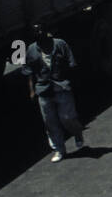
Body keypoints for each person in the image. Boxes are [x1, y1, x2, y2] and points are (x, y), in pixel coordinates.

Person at [23, 23, 84, 162]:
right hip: (43, 89)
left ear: (46, 31)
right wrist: (32, 91)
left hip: (62, 87)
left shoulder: (60, 44)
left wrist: (70, 82)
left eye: (41, 30)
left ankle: (77, 132)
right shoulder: (31, 50)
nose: (39, 33)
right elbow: (29, 72)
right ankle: (59, 150)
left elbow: (72, 64)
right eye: (36, 31)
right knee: (50, 122)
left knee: (67, 118)